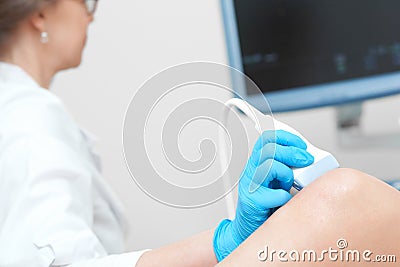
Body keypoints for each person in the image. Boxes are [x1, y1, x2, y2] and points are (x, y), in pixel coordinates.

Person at [0, 1, 398, 267]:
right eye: (85, 4)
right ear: (40, 14)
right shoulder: (30, 118)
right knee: (343, 195)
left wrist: (227, 240)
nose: (90, 16)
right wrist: (225, 241)